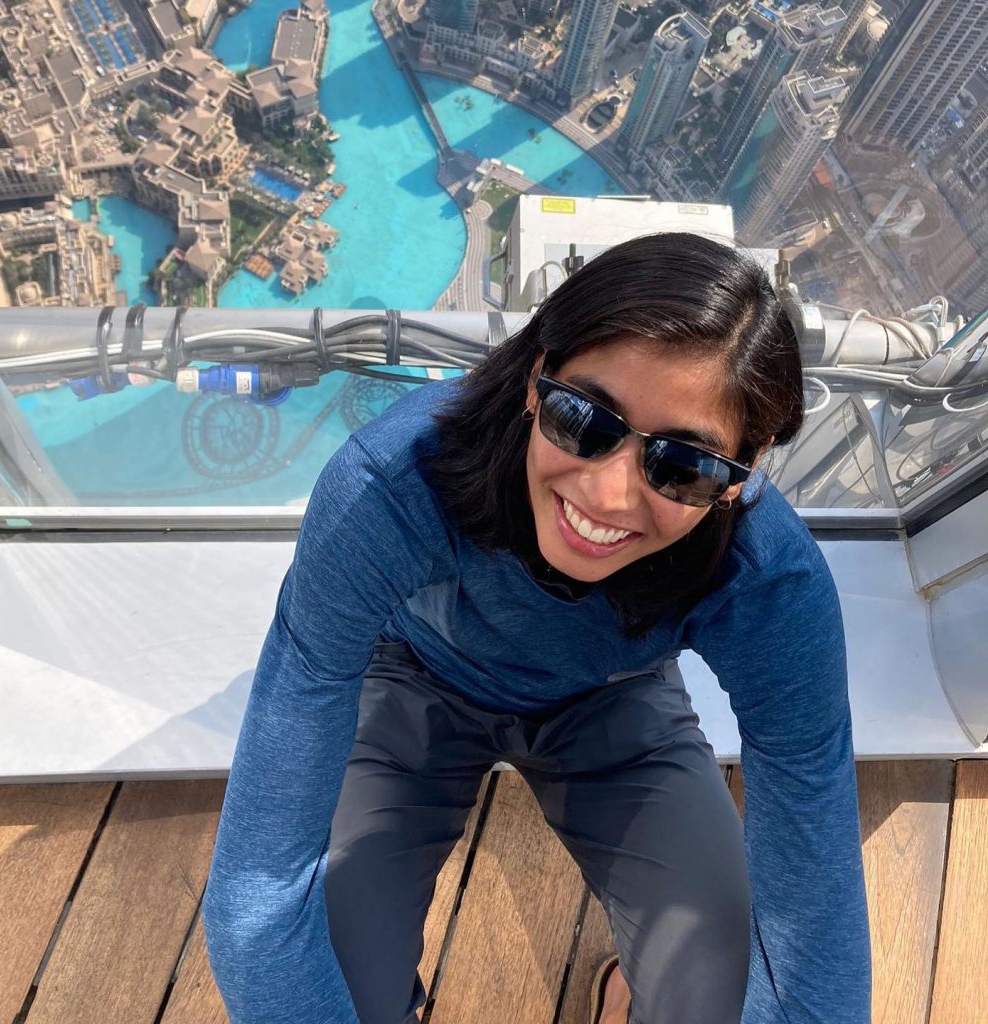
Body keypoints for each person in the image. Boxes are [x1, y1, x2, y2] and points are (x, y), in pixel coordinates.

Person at [202, 232, 872, 1024]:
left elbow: (813, 907)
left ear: (745, 472)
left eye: (683, 465)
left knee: (718, 1002)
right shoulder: (392, 486)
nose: (609, 493)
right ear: (533, 377)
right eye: (583, 416)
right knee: (335, 982)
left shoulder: (770, 581)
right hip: (416, 675)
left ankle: (637, 993)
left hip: (612, 701)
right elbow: (256, 902)